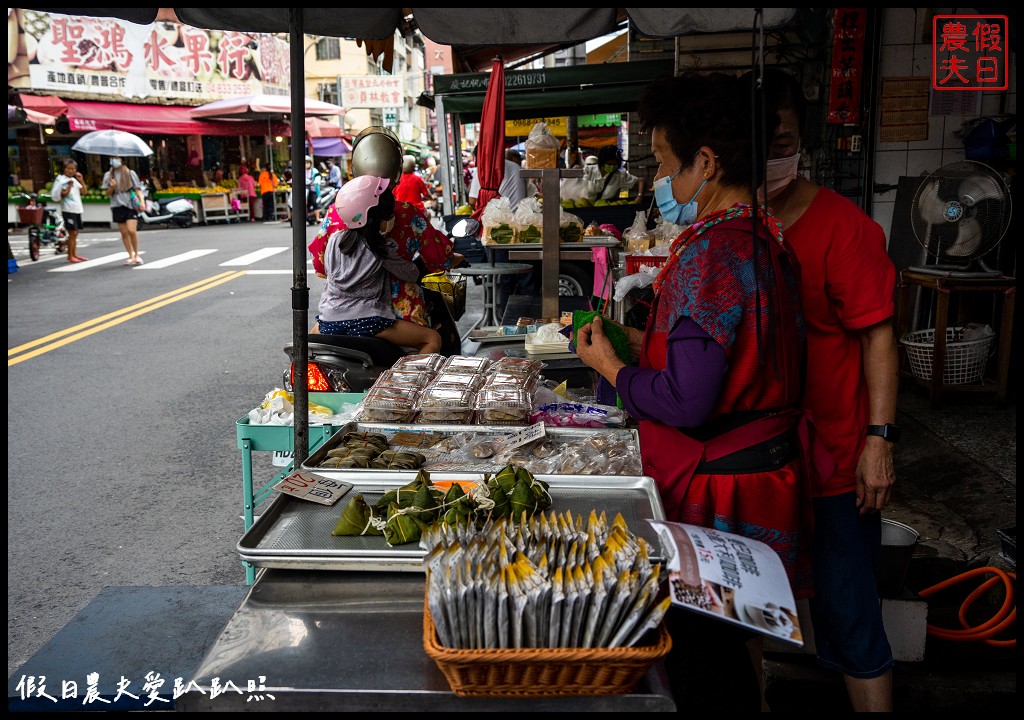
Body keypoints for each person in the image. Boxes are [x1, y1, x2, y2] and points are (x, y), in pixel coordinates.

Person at [572, 71, 825, 713]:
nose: (663, 182)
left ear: (706, 163)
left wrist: (610, 367)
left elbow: (689, 400)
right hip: (768, 475)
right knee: (742, 650)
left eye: (664, 164)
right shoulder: (768, 240)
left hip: (721, 491)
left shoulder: (711, 254)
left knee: (709, 667)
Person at [761, 66, 899, 713]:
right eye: (759, 139)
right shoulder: (738, 227)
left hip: (838, 459)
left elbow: (879, 336)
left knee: (849, 607)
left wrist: (879, 439)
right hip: (764, 460)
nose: (769, 154)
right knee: (752, 605)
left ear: (803, 142)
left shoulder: (844, 228)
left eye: (782, 139)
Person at [310, 126, 465, 354]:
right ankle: (411, 386)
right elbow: (437, 259)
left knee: (310, 349)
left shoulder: (336, 214)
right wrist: (451, 259)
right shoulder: (399, 223)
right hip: (390, 315)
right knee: (431, 340)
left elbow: (321, 267)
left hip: (333, 313)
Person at [316, 175, 441, 355]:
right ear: (377, 218)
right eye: (388, 214)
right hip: (368, 321)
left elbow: (328, 271)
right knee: (432, 338)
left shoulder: (334, 240)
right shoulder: (380, 247)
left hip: (329, 320)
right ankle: (408, 383)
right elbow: (411, 274)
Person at [467, 144, 533, 308]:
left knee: (503, 278)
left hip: (498, 231)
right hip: (522, 228)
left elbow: (472, 201)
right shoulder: (516, 167)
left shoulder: (484, 171)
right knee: (525, 276)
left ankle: (504, 318)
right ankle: (529, 317)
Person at [102, 155, 144, 265]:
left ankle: (136, 254)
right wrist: (112, 187)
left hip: (130, 204)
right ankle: (130, 255)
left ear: (122, 160)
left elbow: (137, 189)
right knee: (124, 232)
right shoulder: (108, 175)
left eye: (116, 158)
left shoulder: (130, 173)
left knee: (131, 230)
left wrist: (142, 202)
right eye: (112, 158)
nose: (114, 160)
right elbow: (107, 193)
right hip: (116, 204)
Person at [49, 158, 86, 263]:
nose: (71, 171)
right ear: (64, 169)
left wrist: (81, 180)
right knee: (72, 232)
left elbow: (84, 191)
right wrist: (69, 185)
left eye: (73, 169)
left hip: (77, 209)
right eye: (69, 168)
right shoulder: (62, 180)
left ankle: (75, 254)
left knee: (76, 233)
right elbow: (63, 194)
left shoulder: (74, 180)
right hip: (68, 210)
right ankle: (70, 256)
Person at [305, 155, 323, 224]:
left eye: (307, 162)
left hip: (312, 190)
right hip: (305, 190)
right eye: (305, 162)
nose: (306, 164)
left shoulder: (314, 171)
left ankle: (317, 218)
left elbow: (318, 178)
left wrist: (315, 182)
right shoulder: (301, 171)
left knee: (314, 203)